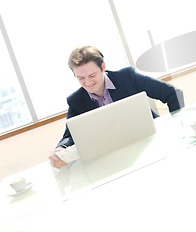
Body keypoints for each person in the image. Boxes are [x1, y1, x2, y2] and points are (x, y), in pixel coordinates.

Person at [48, 45, 183, 168]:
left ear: (103, 67)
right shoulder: (76, 100)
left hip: (151, 143)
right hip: (114, 161)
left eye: (92, 75)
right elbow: (70, 134)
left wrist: (176, 123)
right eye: (81, 78)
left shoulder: (127, 77)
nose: (88, 82)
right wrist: (60, 148)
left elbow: (173, 93)